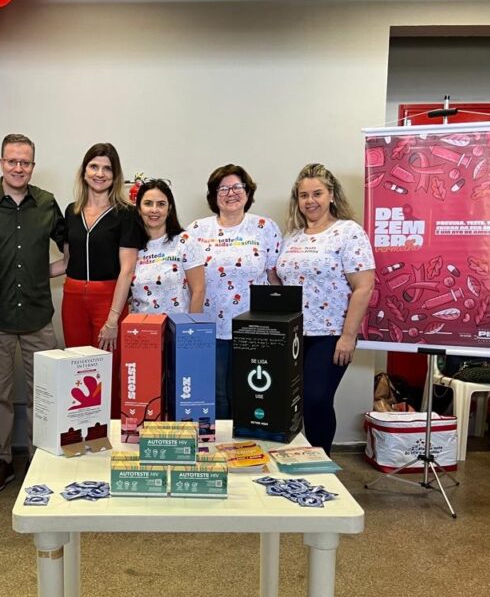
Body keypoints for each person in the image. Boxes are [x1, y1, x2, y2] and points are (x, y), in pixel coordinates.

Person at [0, 133, 66, 495]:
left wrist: (49, 272)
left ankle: (39, 459)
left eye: (25, 162)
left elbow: (71, 248)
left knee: (44, 393)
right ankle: (3, 460)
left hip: (39, 314)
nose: (19, 168)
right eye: (12, 161)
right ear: (1, 163)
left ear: (33, 166)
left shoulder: (47, 203)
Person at [273, 162, 376, 454]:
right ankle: (295, 460)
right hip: (292, 334)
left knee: (316, 399)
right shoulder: (291, 237)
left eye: (317, 193)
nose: (310, 201)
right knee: (290, 400)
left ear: (331, 195)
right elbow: (279, 280)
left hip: (330, 333)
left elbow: (363, 286)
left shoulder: (348, 233)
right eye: (303, 196)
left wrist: (348, 336)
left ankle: (321, 464)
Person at [58, 143, 144, 416]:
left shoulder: (126, 213)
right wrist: (19, 272)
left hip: (108, 301)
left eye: (107, 168)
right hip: (72, 298)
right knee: (78, 371)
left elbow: (127, 270)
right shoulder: (72, 210)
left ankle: (112, 442)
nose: (100, 173)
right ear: (84, 172)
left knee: (109, 371)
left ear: (115, 175)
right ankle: (83, 436)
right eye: (94, 166)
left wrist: (112, 320)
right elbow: (66, 263)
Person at [189, 165, 281, 420]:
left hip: (255, 328)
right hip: (209, 326)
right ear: (213, 194)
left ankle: (247, 450)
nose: (231, 193)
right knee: (216, 394)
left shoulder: (265, 227)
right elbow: (186, 279)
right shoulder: (197, 230)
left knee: (251, 393)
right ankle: (221, 451)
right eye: (223, 188)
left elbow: (275, 279)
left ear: (248, 191)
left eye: (237, 187)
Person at [130, 179, 205, 315]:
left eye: (161, 204)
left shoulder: (185, 242)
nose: (154, 210)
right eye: (148, 204)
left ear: (169, 209)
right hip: (143, 329)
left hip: (178, 329)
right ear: (139, 209)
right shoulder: (131, 247)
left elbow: (198, 291)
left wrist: (190, 328)